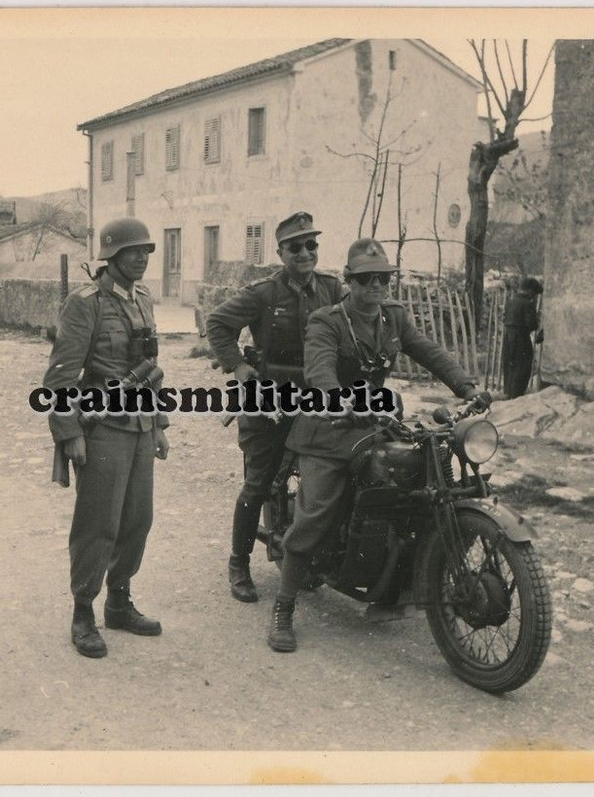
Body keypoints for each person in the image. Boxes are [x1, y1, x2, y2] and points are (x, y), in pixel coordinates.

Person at [268, 239, 479, 653]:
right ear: (350, 282)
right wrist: (336, 398)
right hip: (328, 426)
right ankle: (284, 606)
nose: (377, 285)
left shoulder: (393, 317)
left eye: (383, 278)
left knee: (417, 477)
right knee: (314, 514)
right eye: (367, 279)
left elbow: (429, 351)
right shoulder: (326, 321)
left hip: (374, 420)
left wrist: (466, 385)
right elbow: (320, 367)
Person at [43, 217, 169, 659]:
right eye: (132, 251)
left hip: (139, 427)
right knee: (99, 523)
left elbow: (150, 364)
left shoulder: (143, 299)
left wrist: (160, 425)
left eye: (146, 251)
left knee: (138, 519)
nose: (141, 258)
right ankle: (83, 612)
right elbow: (60, 378)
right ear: (110, 256)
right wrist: (69, 432)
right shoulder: (86, 304)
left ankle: (119, 601)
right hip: (103, 429)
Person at [205, 211, 342, 603]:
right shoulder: (264, 293)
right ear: (280, 252)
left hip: (315, 399)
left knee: (328, 475)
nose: (305, 253)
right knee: (259, 482)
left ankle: (314, 556)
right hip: (269, 397)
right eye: (295, 247)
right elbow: (217, 323)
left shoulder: (332, 289)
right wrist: (239, 366)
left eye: (311, 245)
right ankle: (239, 564)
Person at [501, 276, 544, 399]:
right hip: (521, 338)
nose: (535, 297)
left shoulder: (511, 301)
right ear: (530, 291)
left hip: (508, 336)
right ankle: (516, 396)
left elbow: (505, 318)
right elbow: (531, 324)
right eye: (535, 294)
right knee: (522, 367)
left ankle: (508, 394)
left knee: (509, 366)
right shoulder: (528, 303)